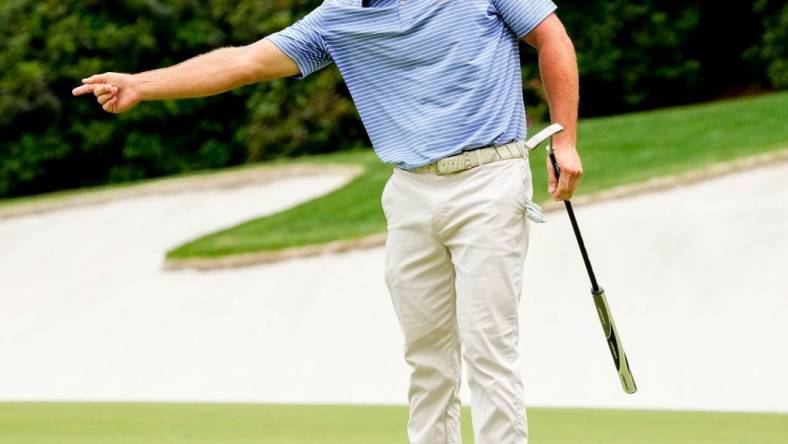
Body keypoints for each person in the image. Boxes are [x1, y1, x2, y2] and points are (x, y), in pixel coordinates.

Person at [73, 1, 582, 442]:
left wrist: (564, 139)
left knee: (489, 352)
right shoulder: (337, 16)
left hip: (489, 178)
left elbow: (550, 35)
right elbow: (245, 61)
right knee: (427, 361)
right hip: (410, 190)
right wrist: (141, 83)